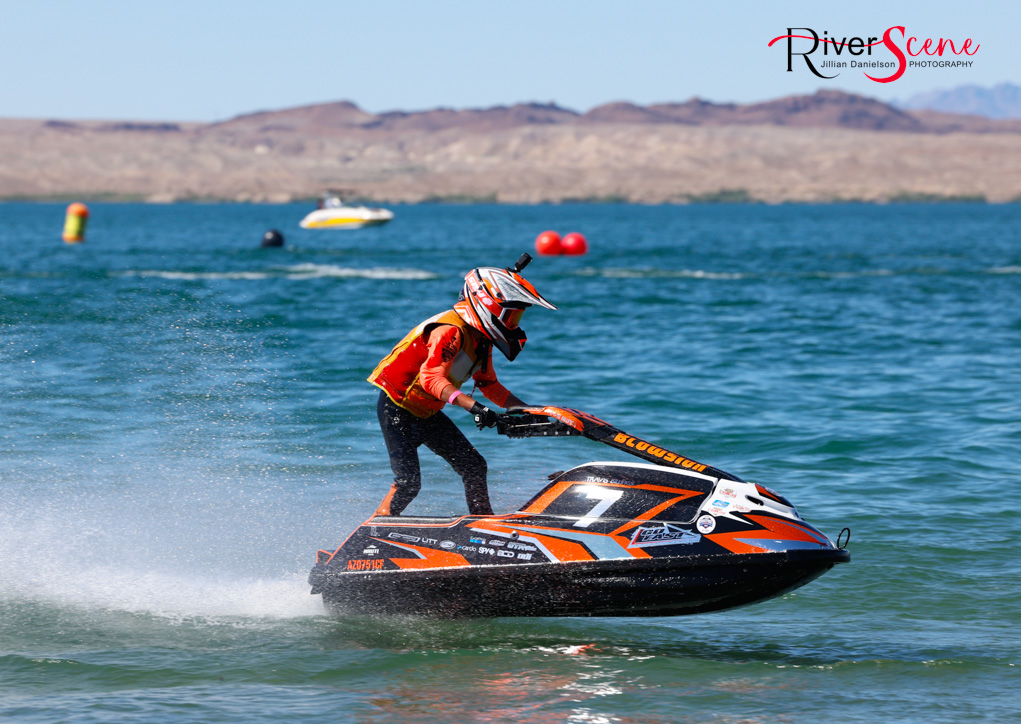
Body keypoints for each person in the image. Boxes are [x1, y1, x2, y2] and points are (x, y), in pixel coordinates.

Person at [367, 256, 556, 516]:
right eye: (511, 317)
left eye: (517, 317)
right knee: (408, 483)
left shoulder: (481, 339)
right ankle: (371, 538)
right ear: (487, 305)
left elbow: (489, 385)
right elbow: (431, 379)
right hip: (398, 409)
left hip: (427, 413)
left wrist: (530, 410)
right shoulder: (450, 331)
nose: (514, 324)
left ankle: (483, 525)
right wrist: (475, 408)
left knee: (474, 466)